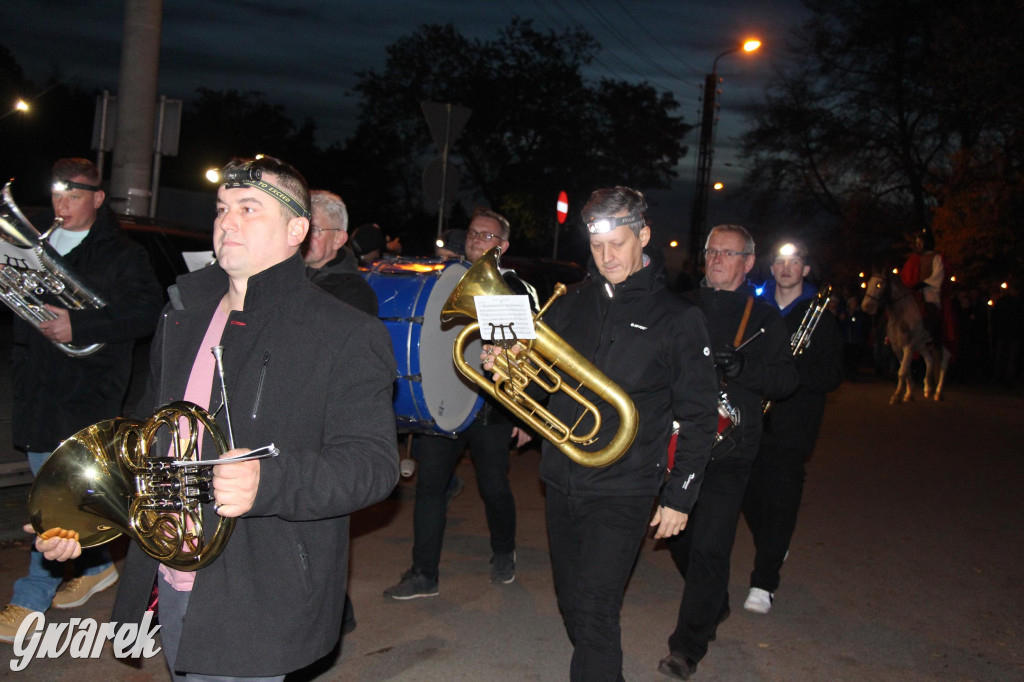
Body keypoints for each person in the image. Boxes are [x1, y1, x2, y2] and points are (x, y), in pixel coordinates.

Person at [35, 155, 400, 680]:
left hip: (259, 593)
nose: (227, 222)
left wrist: (270, 481)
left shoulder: (345, 333)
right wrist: (82, 512)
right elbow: (147, 437)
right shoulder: (182, 311)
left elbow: (372, 465)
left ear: (297, 229)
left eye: (250, 209)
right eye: (223, 208)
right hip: (170, 574)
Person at [486, 187, 720, 682]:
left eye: (618, 243)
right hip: (561, 477)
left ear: (644, 236)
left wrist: (680, 496)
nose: (607, 257)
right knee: (573, 603)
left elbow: (699, 416)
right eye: (597, 247)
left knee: (594, 609)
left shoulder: (680, 318)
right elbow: (543, 382)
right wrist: (505, 367)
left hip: (626, 485)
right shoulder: (569, 303)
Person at [0, 158, 164, 644]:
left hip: (84, 390)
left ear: (96, 199)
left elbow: (146, 311)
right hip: (37, 386)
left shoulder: (122, 255)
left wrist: (81, 325)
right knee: (56, 492)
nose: (62, 205)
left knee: (52, 501)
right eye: (57, 195)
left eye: (74, 196)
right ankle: (94, 568)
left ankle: (29, 599)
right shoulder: (36, 246)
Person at [659, 224, 798, 680]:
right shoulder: (682, 306)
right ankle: (713, 602)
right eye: (712, 251)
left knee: (710, 547)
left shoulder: (762, 317)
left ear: (747, 262)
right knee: (678, 539)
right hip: (679, 447)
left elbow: (785, 381)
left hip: (732, 450)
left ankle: (687, 645)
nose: (716, 259)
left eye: (728, 253)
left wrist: (743, 367)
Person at [384, 208, 539, 599]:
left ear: (502, 246)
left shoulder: (516, 288)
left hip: (492, 406)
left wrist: (525, 410)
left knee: (493, 485)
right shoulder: (446, 278)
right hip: (446, 400)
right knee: (430, 485)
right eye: (472, 234)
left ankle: (504, 551)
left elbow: (527, 355)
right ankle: (424, 573)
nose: (475, 241)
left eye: (486, 237)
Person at [741, 240, 844, 615]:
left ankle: (764, 583)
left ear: (805, 270)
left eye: (795, 261)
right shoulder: (755, 309)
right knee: (748, 494)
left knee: (782, 499)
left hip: (793, 423)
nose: (786, 268)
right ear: (772, 269)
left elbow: (833, 374)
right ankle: (774, 541)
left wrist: (790, 376)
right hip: (752, 418)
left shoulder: (822, 317)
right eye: (780, 262)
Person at [303, 189, 378, 316]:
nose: (304, 236)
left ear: (338, 239)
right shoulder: (286, 276)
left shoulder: (354, 294)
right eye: (302, 227)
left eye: (314, 229)